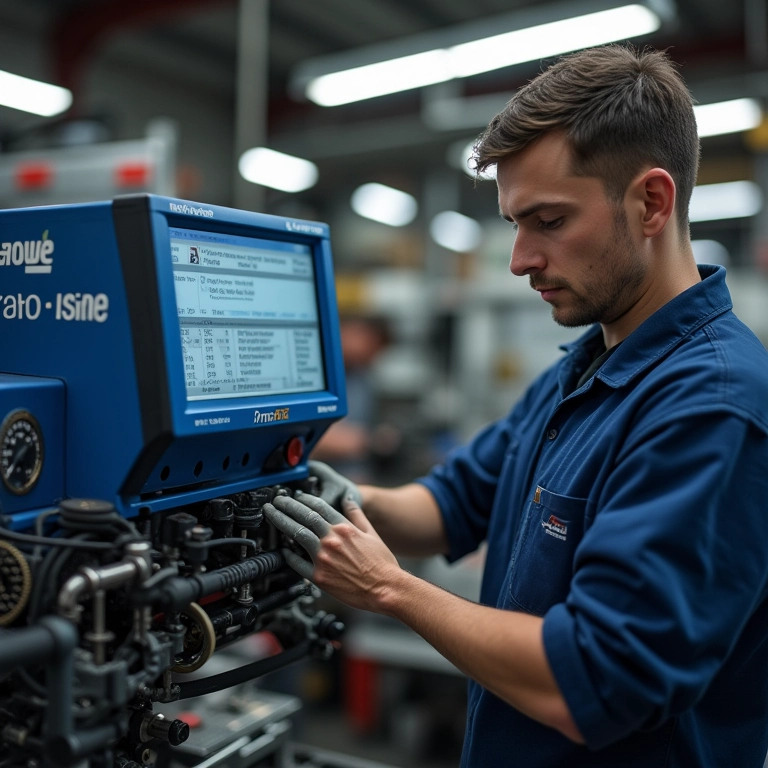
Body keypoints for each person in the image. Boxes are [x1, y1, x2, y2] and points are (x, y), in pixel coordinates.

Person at [264, 45, 768, 767]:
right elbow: (447, 505)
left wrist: (389, 590)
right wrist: (319, 496)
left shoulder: (712, 407)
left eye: (550, 221)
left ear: (651, 202)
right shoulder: (582, 372)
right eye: (514, 224)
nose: (519, 258)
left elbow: (594, 677)